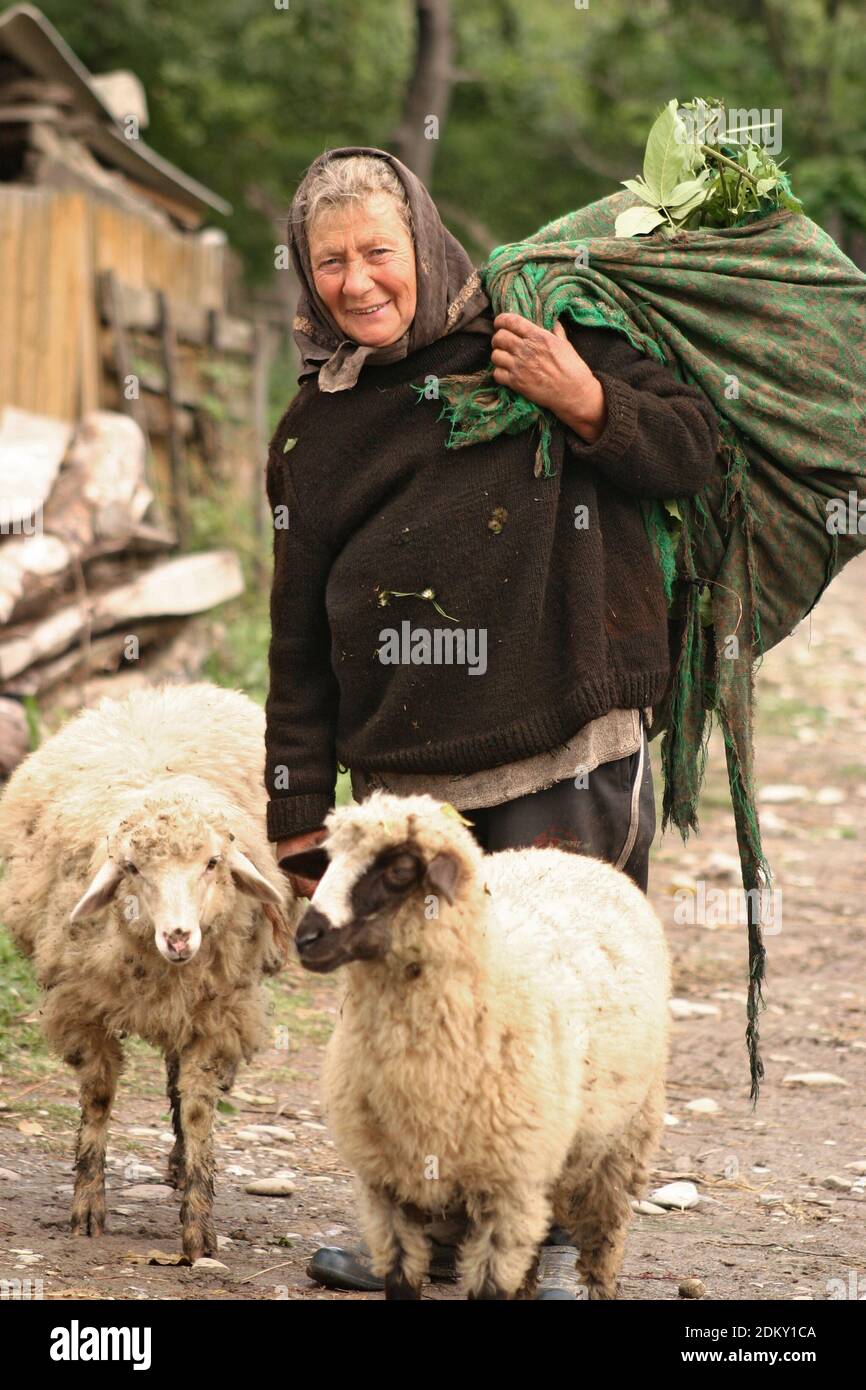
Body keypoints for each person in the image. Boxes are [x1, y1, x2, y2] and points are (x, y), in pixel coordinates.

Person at [264, 145, 718, 1296]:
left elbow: (688, 457)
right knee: (411, 1014)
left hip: (558, 741)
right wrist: (292, 808)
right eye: (330, 263)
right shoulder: (315, 428)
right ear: (304, 277)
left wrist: (585, 401)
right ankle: (426, 1236)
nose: (357, 282)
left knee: (550, 1005)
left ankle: (551, 1241)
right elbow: (296, 635)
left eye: (378, 253)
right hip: (410, 781)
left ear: (421, 240)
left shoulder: (537, 331)